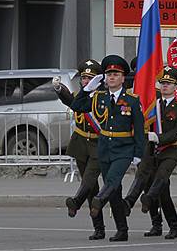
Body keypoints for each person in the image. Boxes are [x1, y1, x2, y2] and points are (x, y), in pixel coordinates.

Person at [71, 55, 145, 242]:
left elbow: (139, 129)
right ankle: (122, 230)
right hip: (104, 148)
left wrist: (138, 154)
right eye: (109, 74)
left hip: (123, 149)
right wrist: (88, 89)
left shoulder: (132, 100)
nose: (111, 77)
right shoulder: (98, 98)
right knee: (116, 190)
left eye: (115, 74)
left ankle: (98, 200)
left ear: (122, 78)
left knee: (112, 180)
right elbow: (76, 105)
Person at [122, 66, 177, 240]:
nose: (165, 86)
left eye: (169, 84)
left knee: (161, 178)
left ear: (176, 87)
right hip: (151, 150)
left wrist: (157, 137)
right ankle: (132, 205)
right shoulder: (152, 103)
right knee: (144, 177)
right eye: (163, 83)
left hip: (171, 150)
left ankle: (173, 226)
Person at [52, 59, 105, 240]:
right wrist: (59, 89)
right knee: (91, 188)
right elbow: (71, 101)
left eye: (90, 78)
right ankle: (99, 229)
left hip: (98, 144)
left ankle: (75, 202)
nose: (85, 82)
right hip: (81, 143)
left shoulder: (102, 97)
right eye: (83, 78)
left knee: (89, 180)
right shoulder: (79, 95)